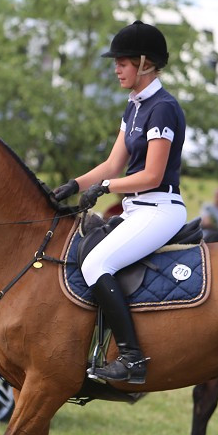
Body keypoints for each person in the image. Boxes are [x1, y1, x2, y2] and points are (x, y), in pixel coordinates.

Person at [52, 20, 187, 384]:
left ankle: (132, 359)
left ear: (145, 63)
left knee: (97, 263)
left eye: (123, 62)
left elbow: (152, 176)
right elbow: (112, 163)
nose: (116, 68)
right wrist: (73, 184)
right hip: (137, 210)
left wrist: (107, 187)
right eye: (116, 62)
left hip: (160, 209)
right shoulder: (135, 108)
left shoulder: (162, 108)